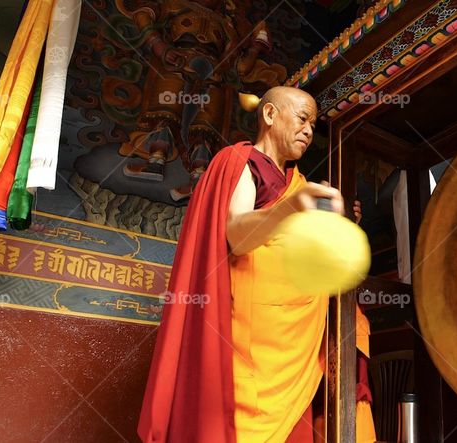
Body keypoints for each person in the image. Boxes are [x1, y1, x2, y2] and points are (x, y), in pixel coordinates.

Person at [138, 86, 373, 443]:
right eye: (302, 118)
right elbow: (238, 234)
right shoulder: (241, 163)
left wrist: (341, 227)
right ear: (269, 115)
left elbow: (309, 254)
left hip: (293, 347)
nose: (309, 130)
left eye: (313, 123)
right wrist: (294, 207)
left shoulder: (299, 185)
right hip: (248, 343)